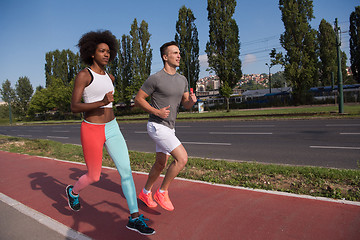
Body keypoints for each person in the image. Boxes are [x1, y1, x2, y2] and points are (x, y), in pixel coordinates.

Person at [66, 30, 155, 235]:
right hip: (91, 129)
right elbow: (74, 107)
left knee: (126, 172)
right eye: (101, 51)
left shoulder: (110, 76)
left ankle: (134, 218)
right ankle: (73, 191)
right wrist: (102, 102)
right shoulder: (83, 75)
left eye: (108, 51)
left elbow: (109, 105)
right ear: (91, 53)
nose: (106, 54)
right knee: (94, 176)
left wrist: (109, 106)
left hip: (113, 127)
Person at [134, 41, 197, 211]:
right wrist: (156, 111)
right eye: (175, 53)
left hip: (170, 127)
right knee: (182, 158)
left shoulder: (182, 79)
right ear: (165, 57)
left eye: (179, 53)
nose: (178, 56)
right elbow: (138, 99)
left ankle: (145, 192)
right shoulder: (155, 78)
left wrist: (191, 101)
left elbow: (186, 104)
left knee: (161, 163)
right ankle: (162, 191)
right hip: (157, 125)